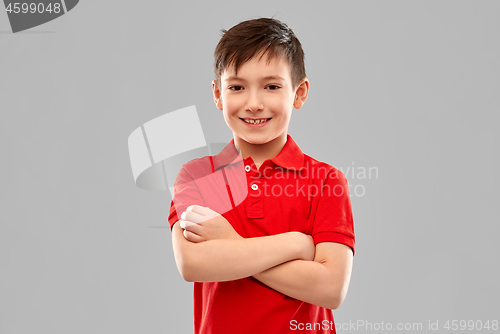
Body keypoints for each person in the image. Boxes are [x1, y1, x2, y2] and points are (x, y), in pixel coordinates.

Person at [168, 17, 355, 334]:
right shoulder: (197, 175)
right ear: (218, 94)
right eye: (237, 87)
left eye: (271, 86)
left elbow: (330, 287)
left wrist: (231, 246)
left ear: (299, 92)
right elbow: (193, 264)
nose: (254, 104)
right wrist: (296, 244)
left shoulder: (326, 181)